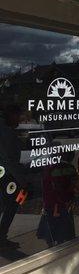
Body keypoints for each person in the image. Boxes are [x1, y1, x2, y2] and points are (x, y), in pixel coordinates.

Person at [0, 104, 27, 249]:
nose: (20, 119)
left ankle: (2, 237)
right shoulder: (5, 132)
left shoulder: (8, 131)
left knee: (11, 205)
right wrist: (21, 180)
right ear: (10, 115)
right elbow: (7, 160)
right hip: (7, 177)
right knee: (11, 204)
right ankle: (2, 238)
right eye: (17, 115)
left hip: (9, 177)